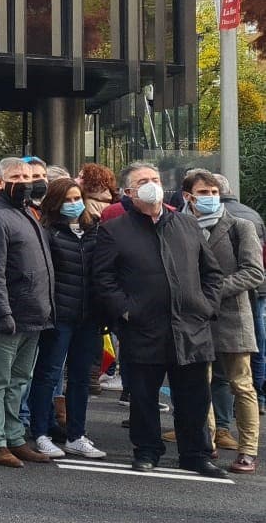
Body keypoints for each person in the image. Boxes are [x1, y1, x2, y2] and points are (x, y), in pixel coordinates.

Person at [91, 159, 227, 477]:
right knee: (143, 397)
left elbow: (212, 272)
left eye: (154, 178)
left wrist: (206, 306)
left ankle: (196, 454)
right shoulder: (114, 230)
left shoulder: (186, 223)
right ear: (128, 192)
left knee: (194, 396)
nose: (151, 184)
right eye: (142, 181)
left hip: (190, 327)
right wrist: (126, 311)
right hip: (143, 328)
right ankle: (147, 450)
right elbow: (104, 279)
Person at [0, 157, 57, 467]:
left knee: (19, 380)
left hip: (33, 314)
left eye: (29, 175)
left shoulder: (26, 213)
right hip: (8, 316)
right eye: (17, 176)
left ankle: (15, 436)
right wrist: (1, 312)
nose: (26, 180)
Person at [182, 169, 263, 473]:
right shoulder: (183, 226)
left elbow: (254, 272)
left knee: (241, 384)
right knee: (199, 384)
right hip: (197, 318)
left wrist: (213, 290)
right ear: (189, 197)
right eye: (203, 193)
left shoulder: (239, 226)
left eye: (214, 192)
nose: (211, 198)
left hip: (232, 317)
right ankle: (207, 442)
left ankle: (248, 450)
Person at [23, 177, 107, 460]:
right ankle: (41, 433)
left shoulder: (94, 230)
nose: (74, 204)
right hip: (59, 316)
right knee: (48, 374)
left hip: (89, 316)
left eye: (77, 198)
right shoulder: (47, 232)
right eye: (67, 200)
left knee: (81, 378)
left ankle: (76, 434)